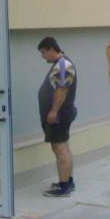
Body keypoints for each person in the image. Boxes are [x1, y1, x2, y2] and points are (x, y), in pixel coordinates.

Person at [37, 37, 77, 197]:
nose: (42, 57)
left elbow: (62, 90)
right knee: (62, 147)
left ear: (51, 49)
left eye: (43, 53)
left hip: (59, 115)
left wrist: (53, 112)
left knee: (60, 149)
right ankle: (67, 181)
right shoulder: (60, 64)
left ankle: (63, 187)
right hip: (59, 114)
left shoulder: (63, 65)